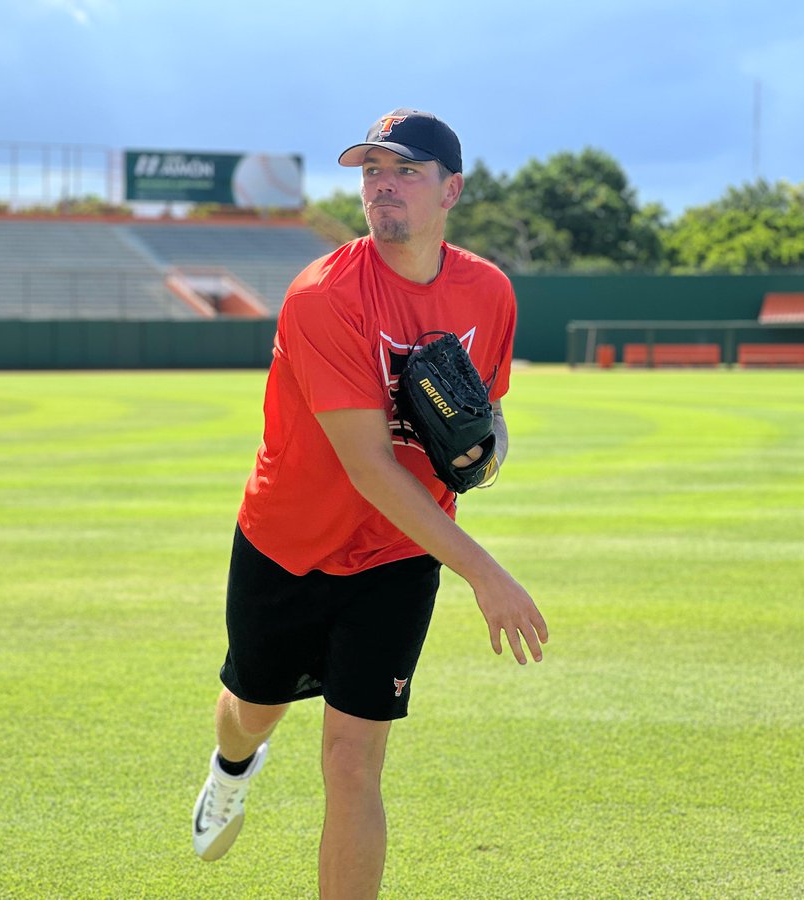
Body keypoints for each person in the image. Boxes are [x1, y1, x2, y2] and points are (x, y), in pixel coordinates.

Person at [191, 108, 549, 898]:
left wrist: (485, 455)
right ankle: (231, 769)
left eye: (405, 172)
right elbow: (369, 467)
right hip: (290, 541)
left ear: (451, 190)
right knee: (253, 709)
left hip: (400, 552)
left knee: (354, 761)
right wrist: (487, 575)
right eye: (372, 172)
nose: (383, 186)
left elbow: (488, 415)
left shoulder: (489, 291)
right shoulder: (324, 295)